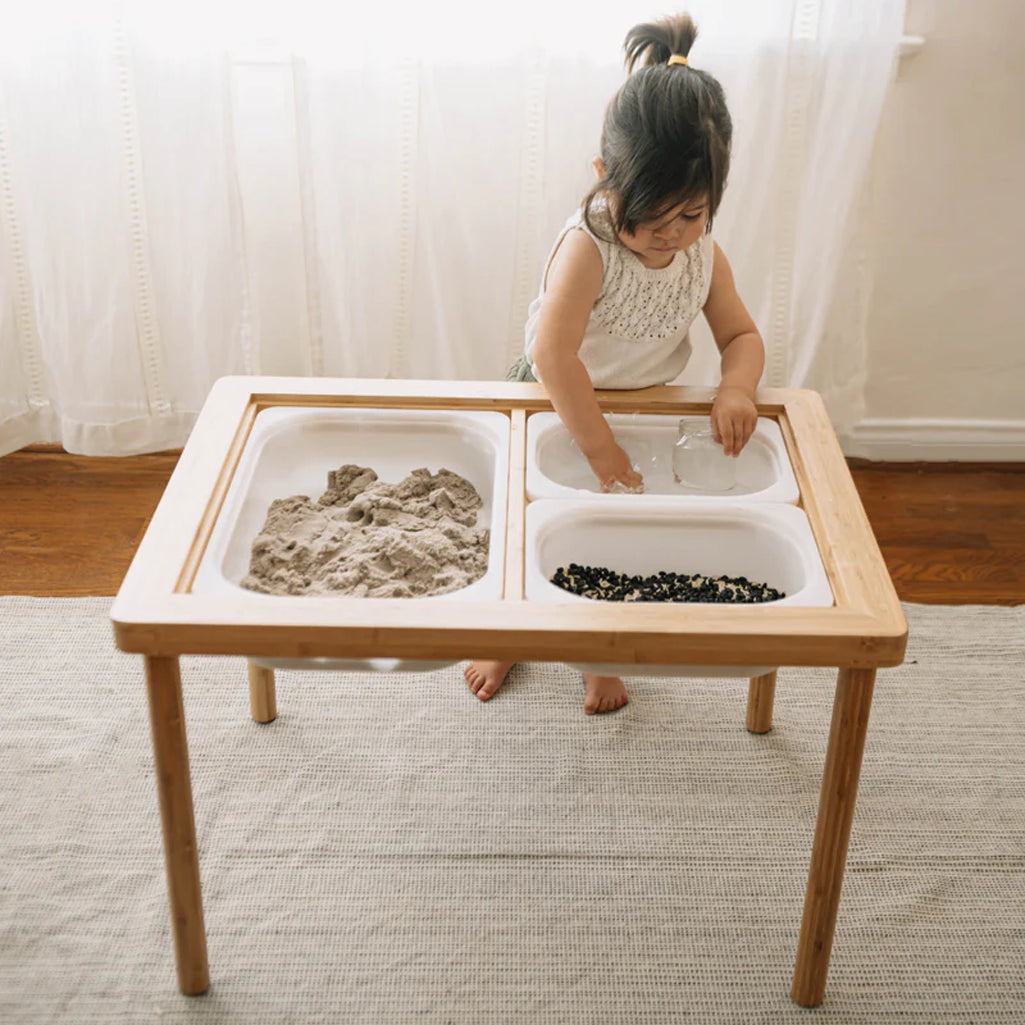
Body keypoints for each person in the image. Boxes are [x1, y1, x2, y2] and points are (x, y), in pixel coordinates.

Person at [465, 12, 765, 714]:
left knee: (612, 539)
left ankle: (596, 652)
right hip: (555, 399)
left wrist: (737, 388)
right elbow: (553, 354)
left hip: (640, 405)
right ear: (604, 179)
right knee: (526, 531)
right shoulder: (588, 248)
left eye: (689, 215)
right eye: (651, 215)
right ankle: (508, 633)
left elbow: (741, 335)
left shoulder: (702, 255)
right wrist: (599, 448)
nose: (669, 234)